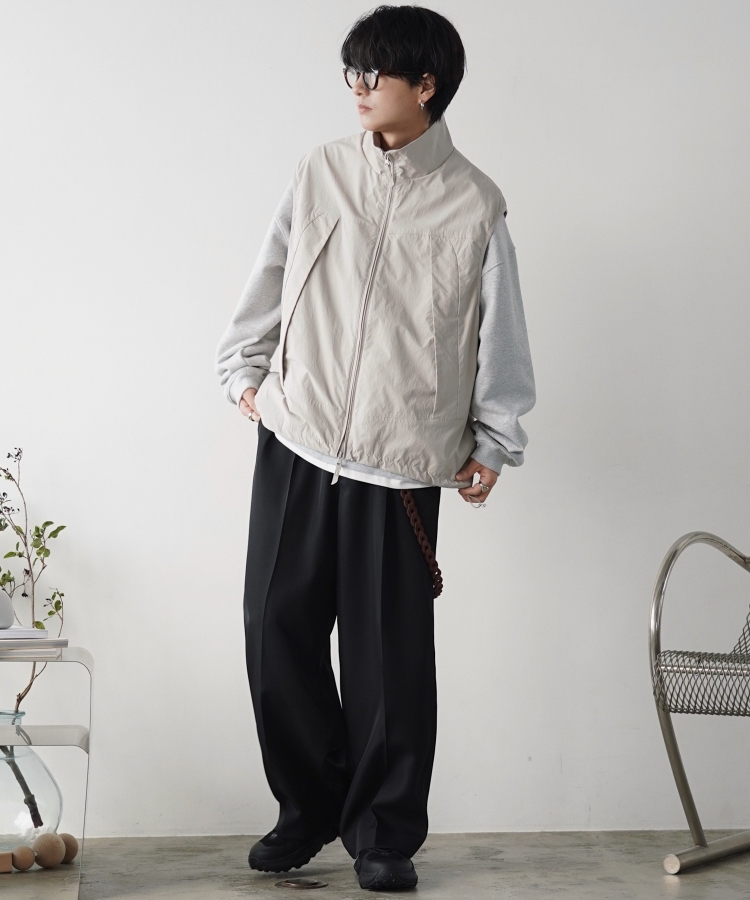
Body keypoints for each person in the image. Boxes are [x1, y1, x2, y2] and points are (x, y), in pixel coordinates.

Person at [215, 4, 535, 892]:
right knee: (273, 630)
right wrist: (242, 373)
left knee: (387, 661)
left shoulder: (476, 203)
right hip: (299, 438)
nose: (356, 88)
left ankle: (383, 833)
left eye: (373, 74)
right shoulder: (320, 170)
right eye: (350, 73)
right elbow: (270, 273)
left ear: (424, 85)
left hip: (399, 464)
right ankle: (309, 806)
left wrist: (495, 440)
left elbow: (501, 335)